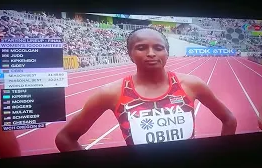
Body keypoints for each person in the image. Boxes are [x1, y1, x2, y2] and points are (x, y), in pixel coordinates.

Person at [55, 27, 237, 152]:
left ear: (167, 53)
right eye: (141, 48)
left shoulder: (191, 85)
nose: (151, 53)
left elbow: (229, 119)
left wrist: (220, 158)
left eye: (158, 48)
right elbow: (65, 138)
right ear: (130, 54)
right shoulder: (111, 93)